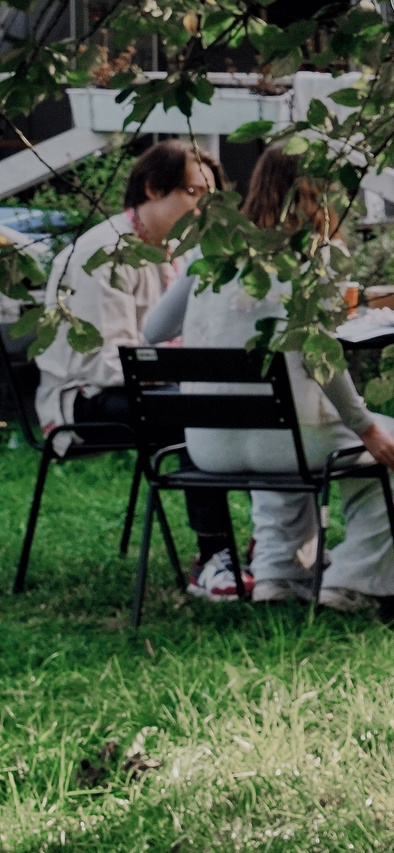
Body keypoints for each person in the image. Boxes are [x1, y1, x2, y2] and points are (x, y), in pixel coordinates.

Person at [157, 147, 394, 612]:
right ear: (313, 195)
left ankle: (279, 575)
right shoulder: (308, 259)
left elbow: (152, 332)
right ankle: (350, 580)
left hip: (209, 444)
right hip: (287, 444)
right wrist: (365, 427)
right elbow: (323, 359)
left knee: (291, 429)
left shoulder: (210, 250)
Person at [34, 139, 246, 599]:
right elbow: (104, 362)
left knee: (245, 400)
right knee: (195, 407)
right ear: (153, 188)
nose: (204, 206)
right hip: (82, 400)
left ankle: (276, 543)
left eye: (211, 197)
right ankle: (212, 557)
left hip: (150, 384)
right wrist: (186, 372)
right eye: (194, 193)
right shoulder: (106, 254)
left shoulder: (182, 253)